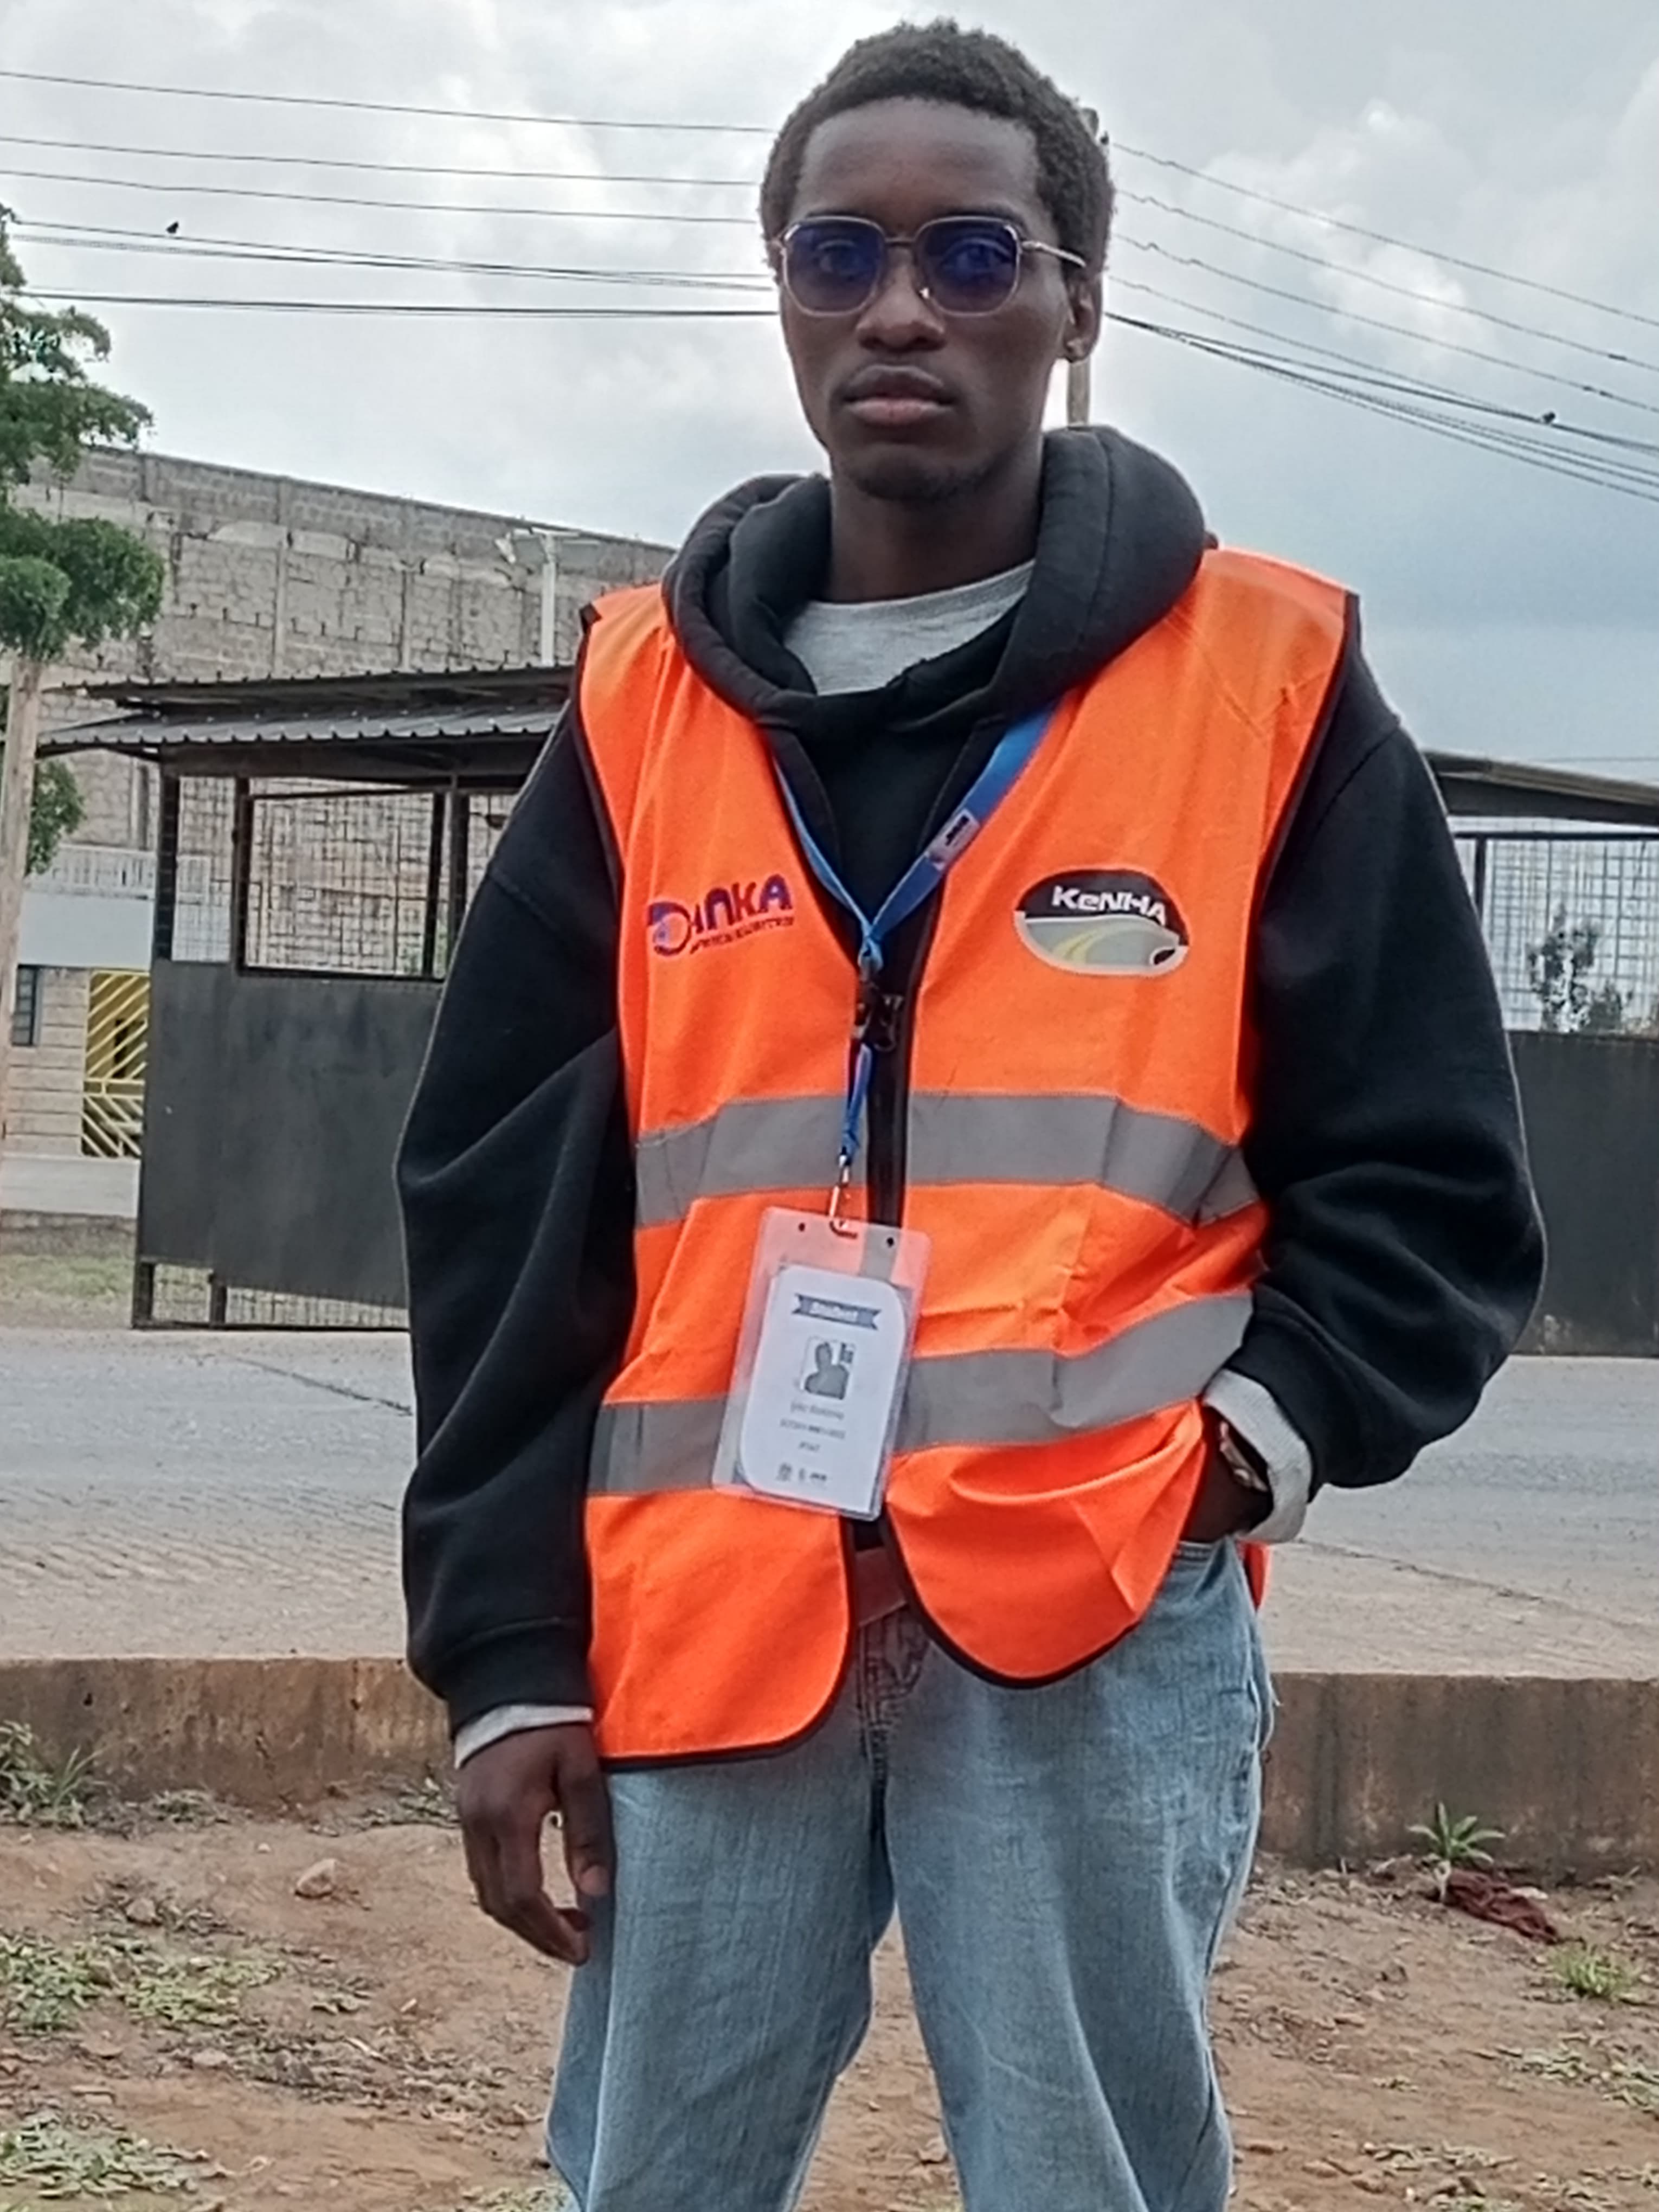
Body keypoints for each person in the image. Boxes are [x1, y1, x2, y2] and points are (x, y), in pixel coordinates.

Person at [399, 22, 1544, 2211]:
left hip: (1089, 1614)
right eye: (839, 255)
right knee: (651, 2183)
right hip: (712, 1611)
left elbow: (1429, 1174)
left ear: (1074, 303)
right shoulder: (641, 709)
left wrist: (1242, 1450)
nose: (900, 308)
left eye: (971, 255)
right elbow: (496, 1211)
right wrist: (506, 1651)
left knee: (1088, 2178)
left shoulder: (1264, 684)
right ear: (782, 294)